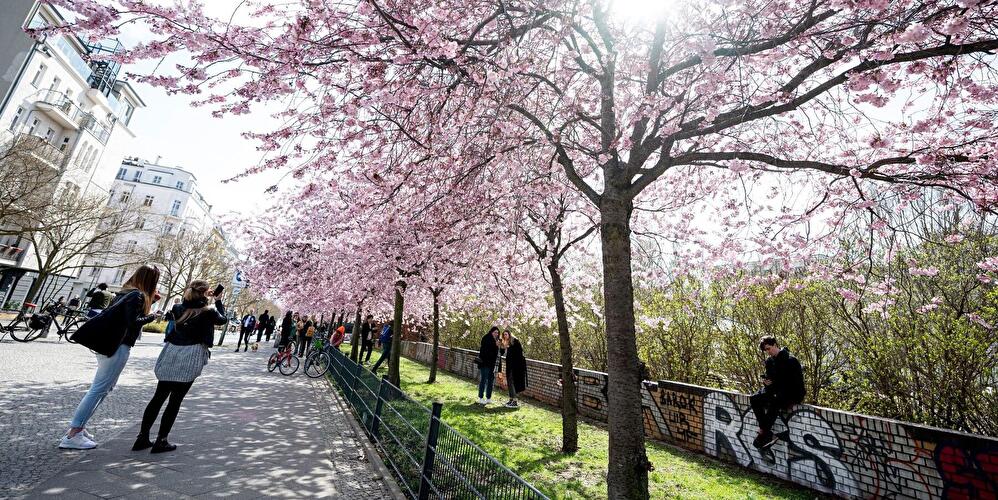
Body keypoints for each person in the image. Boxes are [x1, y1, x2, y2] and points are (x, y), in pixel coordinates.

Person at [59, 265, 161, 450]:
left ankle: (80, 427)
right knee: (99, 389)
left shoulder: (126, 293)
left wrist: (149, 304)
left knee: (103, 388)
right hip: (117, 346)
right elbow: (132, 323)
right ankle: (74, 433)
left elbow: (123, 317)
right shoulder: (137, 295)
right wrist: (151, 316)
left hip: (109, 345)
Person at [134, 280, 225, 453]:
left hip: (172, 353)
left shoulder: (178, 308)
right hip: (191, 356)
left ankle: (142, 437)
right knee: (175, 401)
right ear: (206, 293)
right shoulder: (209, 312)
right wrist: (218, 301)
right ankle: (162, 440)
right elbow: (223, 320)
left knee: (158, 397)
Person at [751, 336, 806, 450]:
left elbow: (797, 384)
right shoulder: (769, 361)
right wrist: (767, 383)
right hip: (775, 390)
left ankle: (763, 432)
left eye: (769, 348)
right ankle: (765, 430)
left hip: (792, 393)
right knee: (754, 398)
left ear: (775, 345)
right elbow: (771, 381)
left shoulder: (791, 360)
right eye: (765, 350)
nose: (768, 352)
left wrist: (776, 387)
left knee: (775, 402)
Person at [500, 330, 528, 408]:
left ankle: (515, 401)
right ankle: (511, 399)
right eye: (504, 335)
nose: (505, 336)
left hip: (516, 366)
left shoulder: (515, 341)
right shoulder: (506, 342)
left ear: (509, 334)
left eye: (506, 334)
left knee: (512, 382)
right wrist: (503, 346)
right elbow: (501, 352)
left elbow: (519, 353)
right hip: (509, 365)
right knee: (509, 382)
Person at [476, 326, 501, 405]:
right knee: (483, 380)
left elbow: (499, 352)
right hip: (485, 363)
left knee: (491, 381)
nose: (496, 334)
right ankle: (480, 398)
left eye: (497, 333)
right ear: (491, 332)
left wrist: (499, 346)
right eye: (495, 332)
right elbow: (485, 351)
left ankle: (488, 398)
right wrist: (495, 345)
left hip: (492, 364)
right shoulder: (486, 338)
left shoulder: (497, 340)